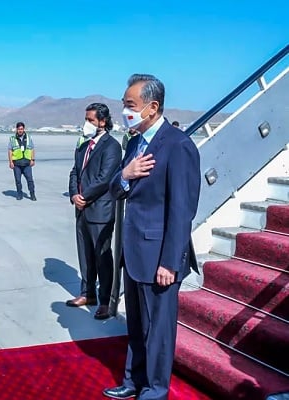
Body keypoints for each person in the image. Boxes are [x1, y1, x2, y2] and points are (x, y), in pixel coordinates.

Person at [103, 74, 200, 400]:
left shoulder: (178, 145)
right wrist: (125, 176)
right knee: (137, 324)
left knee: (158, 331)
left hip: (160, 257)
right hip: (133, 253)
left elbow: (182, 210)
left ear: (152, 107)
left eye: (130, 106)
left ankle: (155, 391)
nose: (125, 112)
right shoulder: (133, 143)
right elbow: (116, 190)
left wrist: (170, 261)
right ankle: (133, 380)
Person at [67, 103, 122, 319]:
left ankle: (105, 301)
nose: (86, 124)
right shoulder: (83, 146)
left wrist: (84, 196)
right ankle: (87, 293)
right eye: (86, 119)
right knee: (85, 255)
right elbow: (74, 172)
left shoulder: (112, 147)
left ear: (102, 121)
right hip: (81, 210)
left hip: (99, 212)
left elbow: (105, 178)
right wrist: (74, 195)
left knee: (102, 257)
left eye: (90, 120)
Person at [7, 122, 36, 201]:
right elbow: (10, 151)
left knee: (30, 180)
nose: (20, 130)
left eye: (22, 129)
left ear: (24, 129)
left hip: (27, 164)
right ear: (16, 129)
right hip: (17, 164)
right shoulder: (13, 139)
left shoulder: (29, 138)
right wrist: (10, 162)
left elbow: (32, 149)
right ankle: (19, 194)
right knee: (18, 181)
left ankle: (32, 194)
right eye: (19, 129)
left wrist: (33, 159)